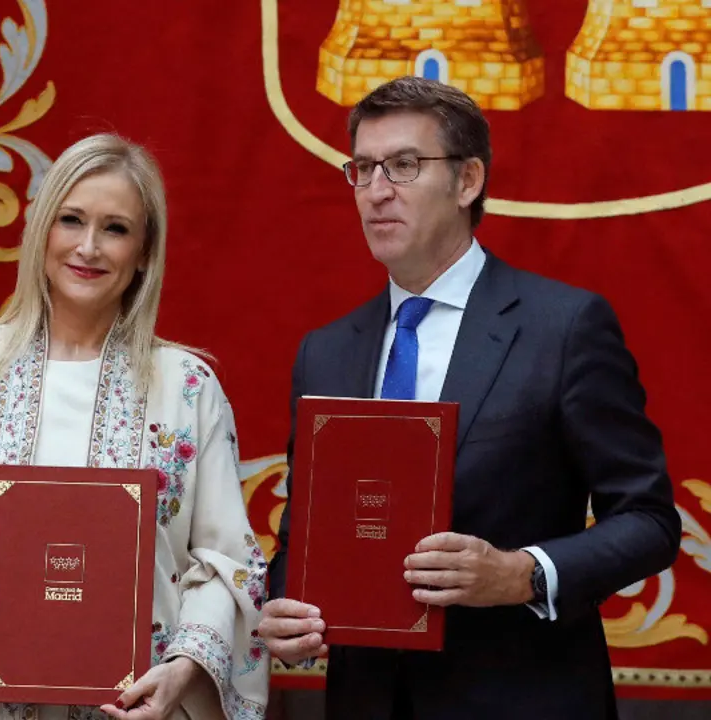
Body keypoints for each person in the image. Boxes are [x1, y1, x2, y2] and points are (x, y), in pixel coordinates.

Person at [258, 75, 681, 719]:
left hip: (521, 697)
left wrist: (522, 574)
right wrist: (288, 609)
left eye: (403, 165)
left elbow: (650, 522)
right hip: (365, 700)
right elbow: (305, 536)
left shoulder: (563, 327)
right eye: (363, 168)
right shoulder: (328, 350)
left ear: (467, 181)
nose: (376, 191)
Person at [0, 133, 270, 720]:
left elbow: (227, 563)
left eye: (115, 228)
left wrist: (182, 669)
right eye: (71, 220)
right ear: (41, 232)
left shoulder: (187, 386)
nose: (88, 247)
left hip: (141, 707)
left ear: (144, 252)